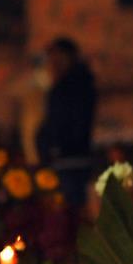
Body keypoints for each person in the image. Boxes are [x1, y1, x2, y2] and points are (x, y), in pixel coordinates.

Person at [36, 37, 97, 213]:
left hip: (70, 159)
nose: (51, 63)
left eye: (55, 58)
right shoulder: (66, 85)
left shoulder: (76, 86)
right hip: (63, 158)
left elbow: (69, 122)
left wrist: (55, 145)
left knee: (69, 211)